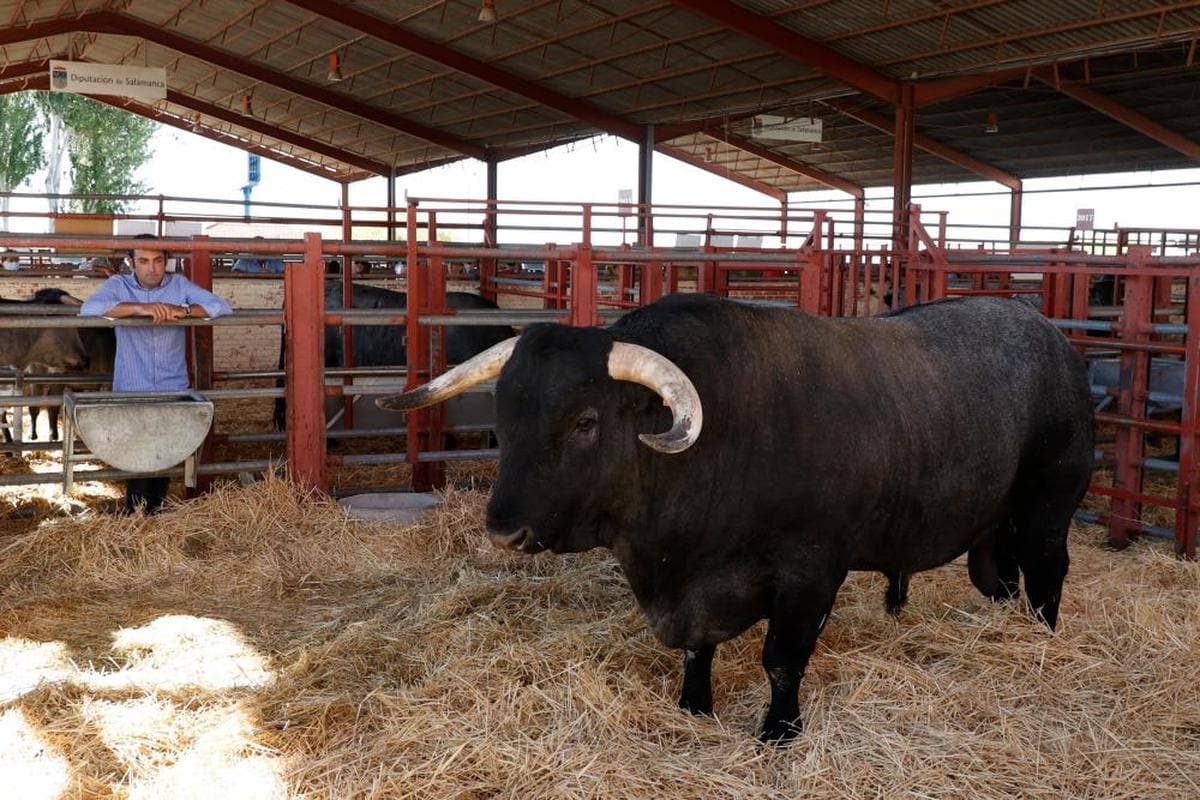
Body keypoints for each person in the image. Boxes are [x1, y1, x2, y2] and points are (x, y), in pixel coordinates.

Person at [79, 234, 233, 514]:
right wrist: (141, 308)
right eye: (143, 261)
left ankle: (152, 513)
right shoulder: (119, 285)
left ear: (166, 262)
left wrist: (185, 310)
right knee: (136, 453)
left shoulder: (179, 285)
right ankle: (135, 514)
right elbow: (89, 309)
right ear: (131, 262)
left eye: (158, 261)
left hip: (172, 386)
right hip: (131, 387)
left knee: (164, 452)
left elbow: (221, 306)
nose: (151, 268)